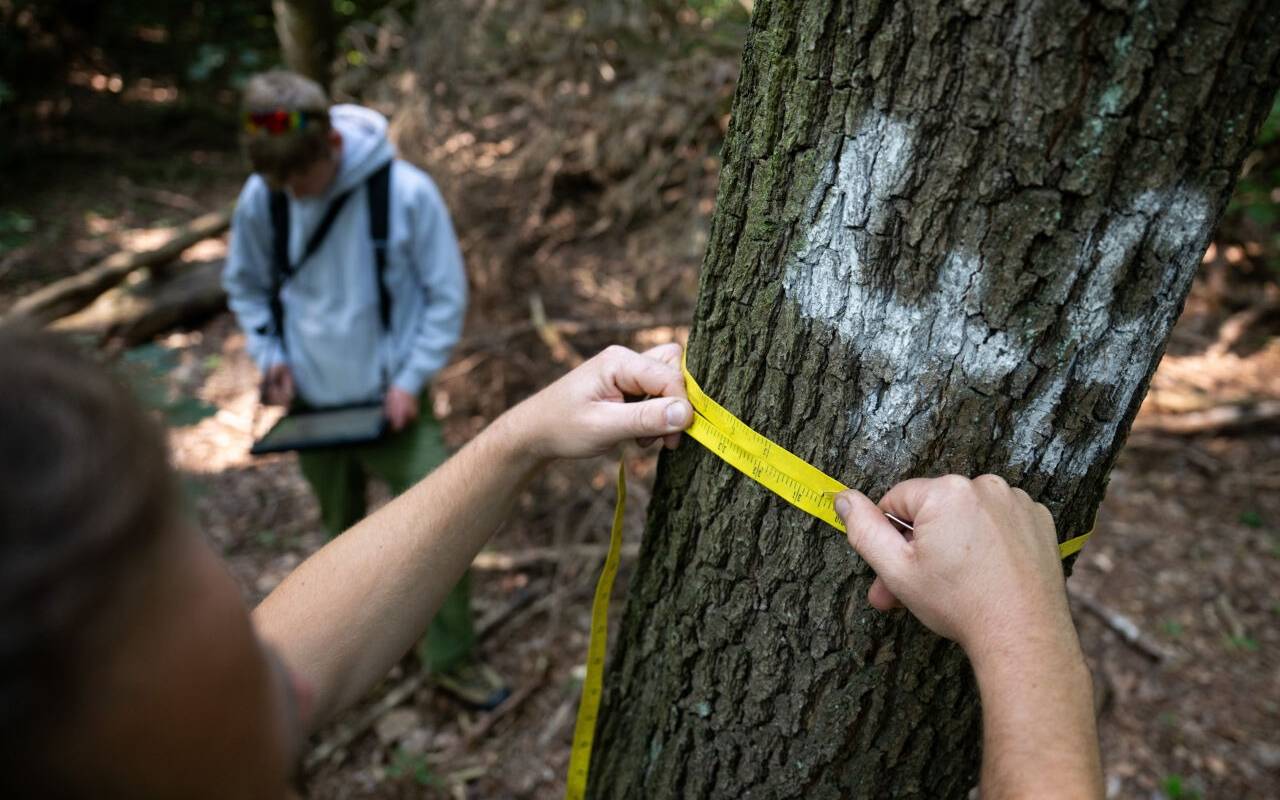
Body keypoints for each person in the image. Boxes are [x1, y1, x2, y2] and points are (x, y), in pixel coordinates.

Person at [0, 330, 1102, 798]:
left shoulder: (151, 738)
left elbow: (290, 665)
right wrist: (1023, 638)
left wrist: (514, 437)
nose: (266, 661)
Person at [221, 71, 495, 705]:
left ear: (333, 147)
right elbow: (247, 285)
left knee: (439, 529)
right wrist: (270, 354)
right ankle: (347, 660)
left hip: (393, 405)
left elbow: (445, 296)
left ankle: (450, 657)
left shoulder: (405, 194)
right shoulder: (263, 196)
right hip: (313, 409)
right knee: (337, 542)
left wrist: (409, 379)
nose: (291, 191)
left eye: (299, 178)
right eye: (278, 182)